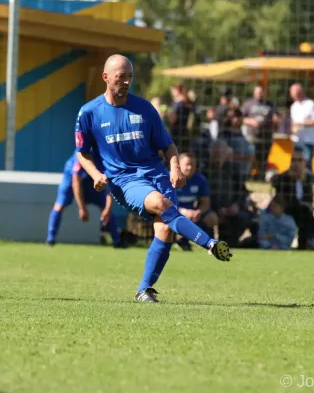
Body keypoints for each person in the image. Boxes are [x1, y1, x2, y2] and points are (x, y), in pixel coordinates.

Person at [75, 54, 232, 303]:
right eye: (120, 77)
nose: (126, 82)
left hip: (157, 174)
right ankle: (210, 243)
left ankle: (144, 289)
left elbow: (168, 147)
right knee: (161, 204)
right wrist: (96, 175)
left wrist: (176, 168)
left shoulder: (145, 108)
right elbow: (82, 153)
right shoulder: (89, 113)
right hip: (124, 180)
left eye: (130, 77)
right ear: (106, 78)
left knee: (164, 229)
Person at [46, 151, 124, 248]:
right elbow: (76, 182)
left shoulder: (108, 156)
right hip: (71, 179)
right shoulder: (83, 153)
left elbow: (112, 186)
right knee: (59, 205)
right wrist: (82, 208)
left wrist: (108, 209)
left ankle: (117, 241)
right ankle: (50, 239)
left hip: (92, 180)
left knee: (106, 209)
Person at [175, 152, 218, 251]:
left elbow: (206, 202)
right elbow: (165, 204)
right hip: (175, 212)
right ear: (179, 165)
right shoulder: (170, 178)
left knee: (211, 217)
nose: (190, 168)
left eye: (192, 165)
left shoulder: (200, 179)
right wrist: (184, 212)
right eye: (187, 165)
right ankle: (179, 241)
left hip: (193, 213)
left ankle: (210, 243)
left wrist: (198, 211)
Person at [289, 83, 314, 174]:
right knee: (296, 164)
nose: (292, 96)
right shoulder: (294, 106)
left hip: (308, 140)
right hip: (297, 140)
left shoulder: (310, 104)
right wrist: (291, 130)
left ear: (300, 92)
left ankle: (308, 183)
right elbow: (293, 123)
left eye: (294, 93)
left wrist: (301, 124)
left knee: (307, 164)